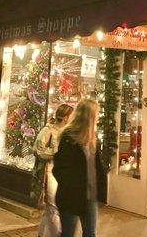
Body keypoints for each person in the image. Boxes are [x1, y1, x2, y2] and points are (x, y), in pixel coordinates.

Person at [53, 99, 107, 237]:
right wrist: (71, 186)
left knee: (90, 233)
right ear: (88, 116)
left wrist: (101, 191)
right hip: (71, 196)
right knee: (68, 233)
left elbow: (96, 168)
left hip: (90, 197)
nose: (99, 117)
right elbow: (59, 168)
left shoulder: (92, 139)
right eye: (97, 114)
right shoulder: (69, 137)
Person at [34, 104, 74, 237]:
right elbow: (38, 150)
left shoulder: (67, 131)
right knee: (53, 205)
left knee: (51, 206)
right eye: (71, 116)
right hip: (50, 170)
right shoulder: (48, 130)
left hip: (61, 171)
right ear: (66, 117)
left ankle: (41, 234)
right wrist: (56, 153)